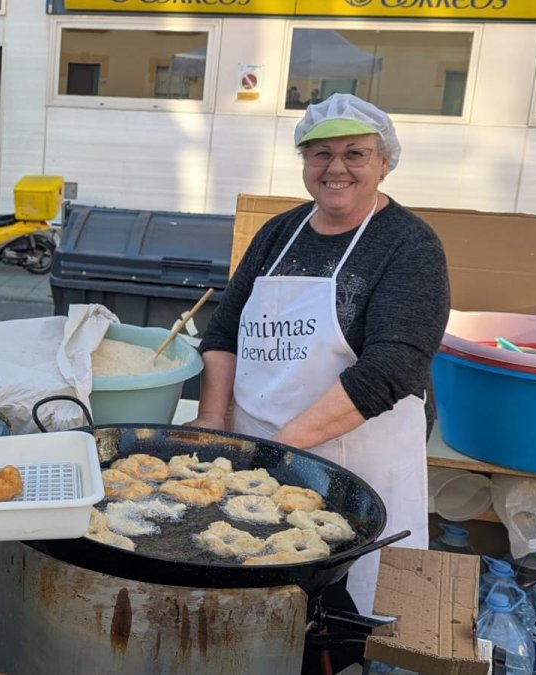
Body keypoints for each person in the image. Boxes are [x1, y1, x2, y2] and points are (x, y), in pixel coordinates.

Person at [189, 94, 449, 618]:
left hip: (352, 464)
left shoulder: (409, 246)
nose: (336, 168)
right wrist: (213, 423)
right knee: (248, 596)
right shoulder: (279, 233)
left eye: (355, 153)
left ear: (384, 161)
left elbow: (391, 368)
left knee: (336, 608)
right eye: (320, 154)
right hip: (255, 450)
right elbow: (223, 332)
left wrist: (281, 453)